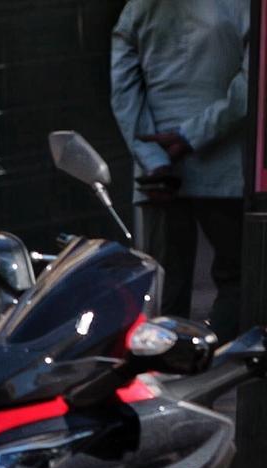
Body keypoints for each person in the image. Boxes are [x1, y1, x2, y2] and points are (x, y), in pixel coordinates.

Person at [110, 0, 248, 343]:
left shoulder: (137, 8)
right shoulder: (243, 6)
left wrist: (152, 156)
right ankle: (217, 370)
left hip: (160, 177)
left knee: (163, 288)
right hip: (224, 168)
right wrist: (191, 136)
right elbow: (252, 84)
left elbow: (124, 92)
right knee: (238, 277)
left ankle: (169, 376)